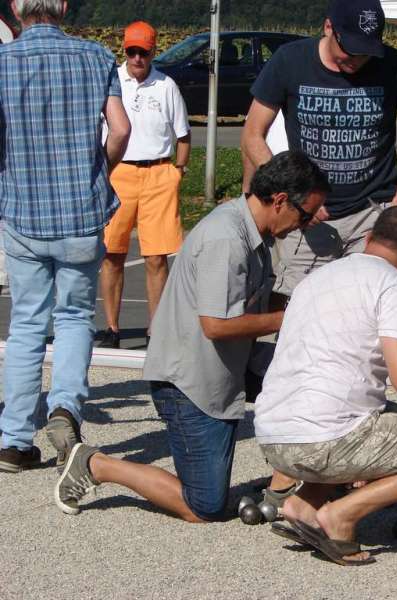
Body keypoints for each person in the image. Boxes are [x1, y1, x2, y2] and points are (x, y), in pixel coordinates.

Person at [54, 153, 329, 522]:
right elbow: (216, 325)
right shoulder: (226, 240)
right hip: (188, 383)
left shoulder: (255, 233)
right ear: (280, 201)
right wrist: (289, 318)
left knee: (312, 389)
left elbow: (259, 301)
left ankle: (303, 483)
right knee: (204, 506)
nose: (306, 224)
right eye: (306, 214)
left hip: (223, 372)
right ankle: (95, 463)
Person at [254, 206, 397, 566]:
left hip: (274, 439)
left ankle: (303, 505)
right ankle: (342, 515)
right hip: (321, 443)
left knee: (384, 415)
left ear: (367, 240)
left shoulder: (316, 278)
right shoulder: (394, 285)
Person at [0, 0, 130, 473]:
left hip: (23, 214)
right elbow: (120, 129)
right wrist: (100, 171)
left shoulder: (3, 63)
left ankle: (14, 439)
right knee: (74, 316)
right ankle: (65, 409)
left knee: (26, 324)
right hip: (80, 213)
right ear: (64, 7)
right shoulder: (96, 58)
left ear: (16, 8)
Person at [240, 0, 397, 301]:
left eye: (367, 52)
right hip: (307, 217)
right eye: (351, 49)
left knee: (367, 307)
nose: (357, 60)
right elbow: (252, 134)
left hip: (372, 211)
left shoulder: (394, 65)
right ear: (329, 27)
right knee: (294, 305)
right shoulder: (289, 61)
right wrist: (295, 193)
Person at [97, 21, 191, 349]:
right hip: (118, 172)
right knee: (112, 253)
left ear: (153, 51)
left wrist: (177, 171)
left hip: (158, 173)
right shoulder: (111, 81)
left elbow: (183, 135)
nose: (137, 58)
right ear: (125, 50)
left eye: (144, 52)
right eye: (132, 51)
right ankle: (111, 327)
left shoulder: (166, 86)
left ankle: (157, 330)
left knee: (155, 257)